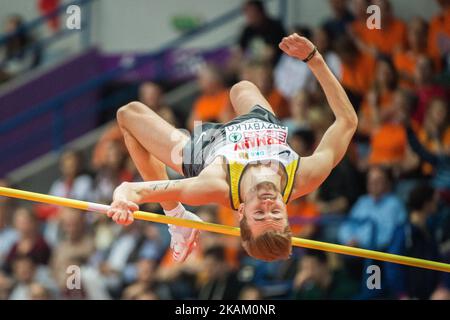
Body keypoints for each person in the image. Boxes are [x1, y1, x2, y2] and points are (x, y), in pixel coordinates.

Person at [107, 34, 358, 263]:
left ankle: (177, 221)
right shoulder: (305, 176)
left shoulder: (215, 186)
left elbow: (132, 190)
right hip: (259, 123)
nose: (268, 203)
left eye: (259, 213)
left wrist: (122, 199)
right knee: (242, 88)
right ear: (286, 213)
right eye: (276, 213)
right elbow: (347, 121)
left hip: (205, 149)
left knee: (128, 114)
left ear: (241, 212)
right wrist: (314, 59)